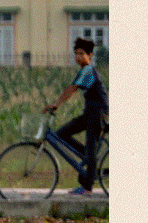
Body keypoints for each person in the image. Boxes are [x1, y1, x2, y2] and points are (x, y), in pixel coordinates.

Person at [45, 37, 108, 195]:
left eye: (82, 54)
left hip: (98, 113)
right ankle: (87, 156)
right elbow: (72, 87)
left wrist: (57, 104)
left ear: (90, 55)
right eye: (76, 54)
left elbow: (72, 88)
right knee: (61, 134)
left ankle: (87, 188)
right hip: (90, 113)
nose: (78, 57)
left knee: (91, 150)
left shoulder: (89, 70)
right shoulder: (84, 71)